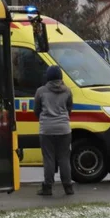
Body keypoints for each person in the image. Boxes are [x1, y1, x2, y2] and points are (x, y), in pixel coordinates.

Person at [34, 64, 74, 196]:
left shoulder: (41, 91)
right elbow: (69, 109)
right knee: (64, 158)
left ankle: (48, 187)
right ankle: (68, 187)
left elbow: (36, 110)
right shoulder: (67, 91)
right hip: (64, 129)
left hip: (46, 130)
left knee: (49, 159)